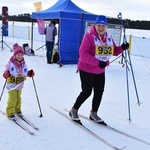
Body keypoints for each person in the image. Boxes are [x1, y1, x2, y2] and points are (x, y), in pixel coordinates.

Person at [69, 15, 129, 125]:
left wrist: (122, 48)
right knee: (87, 92)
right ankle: (74, 110)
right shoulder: (88, 37)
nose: (101, 28)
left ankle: (94, 113)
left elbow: (114, 51)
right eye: (99, 25)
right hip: (86, 69)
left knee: (99, 92)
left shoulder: (108, 37)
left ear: (106, 27)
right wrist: (98, 63)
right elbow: (83, 54)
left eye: (103, 26)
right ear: (95, 26)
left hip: (100, 70)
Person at [3, 43, 35, 120]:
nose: (20, 56)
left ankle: (17, 110)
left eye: (21, 55)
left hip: (19, 84)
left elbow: (25, 72)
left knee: (18, 98)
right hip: (11, 85)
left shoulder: (23, 64)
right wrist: (6, 74)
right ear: (15, 55)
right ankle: (10, 112)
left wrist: (29, 73)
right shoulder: (10, 63)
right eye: (18, 54)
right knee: (12, 99)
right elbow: (6, 71)